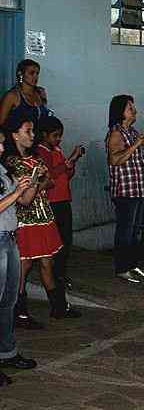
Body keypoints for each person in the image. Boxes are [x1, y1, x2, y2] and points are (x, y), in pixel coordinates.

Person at [3, 116, 80, 326]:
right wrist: (38, 182)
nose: (33, 135)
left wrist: (39, 181)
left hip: (43, 215)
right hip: (25, 219)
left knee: (47, 261)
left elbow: (48, 182)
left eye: (32, 131)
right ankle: (19, 310)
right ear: (14, 135)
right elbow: (25, 194)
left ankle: (58, 306)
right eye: (27, 131)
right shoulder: (11, 162)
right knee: (25, 264)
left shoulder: (34, 157)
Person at [105, 95, 144, 283]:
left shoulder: (132, 131)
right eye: (129, 107)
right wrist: (136, 144)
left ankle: (132, 265)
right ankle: (122, 267)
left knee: (134, 231)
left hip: (139, 189)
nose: (134, 110)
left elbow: (140, 158)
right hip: (126, 191)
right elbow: (115, 159)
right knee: (125, 230)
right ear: (120, 113)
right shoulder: (116, 133)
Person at [0, 131, 36, 386]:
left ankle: (7, 352)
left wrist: (32, 182)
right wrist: (15, 193)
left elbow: (23, 201)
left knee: (9, 300)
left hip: (10, 237)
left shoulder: (3, 170)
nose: (3, 148)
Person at [34, 116, 84, 289]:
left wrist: (72, 163)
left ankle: (61, 273)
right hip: (51, 202)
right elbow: (51, 173)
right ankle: (55, 276)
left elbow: (65, 175)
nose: (58, 139)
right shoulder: (41, 152)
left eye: (59, 136)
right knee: (55, 243)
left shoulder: (57, 149)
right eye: (55, 135)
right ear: (44, 135)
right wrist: (69, 160)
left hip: (63, 199)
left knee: (65, 240)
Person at [0, 59, 51, 130]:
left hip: (37, 138)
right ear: (21, 74)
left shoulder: (40, 92)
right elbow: (1, 123)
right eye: (31, 73)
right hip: (18, 138)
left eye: (37, 73)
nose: (35, 76)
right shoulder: (12, 96)